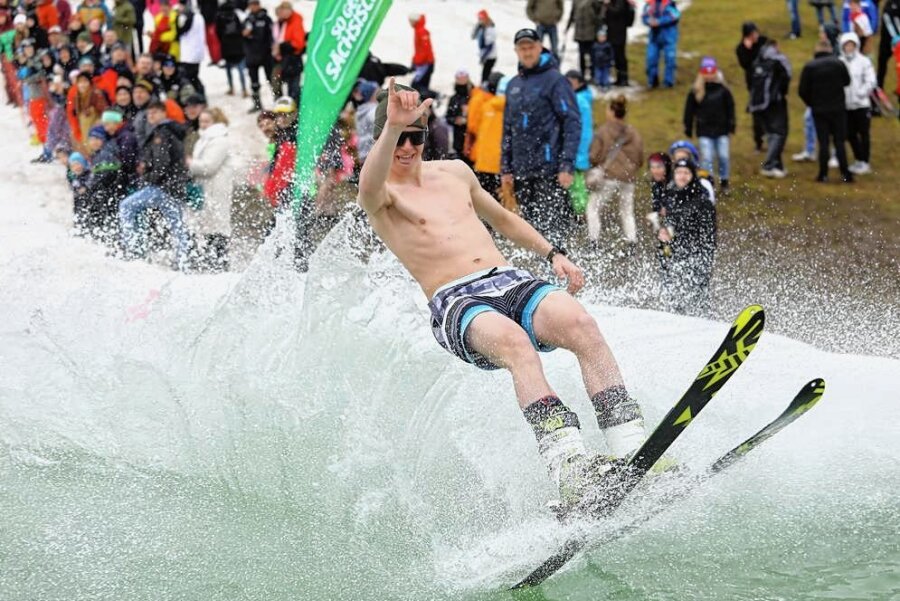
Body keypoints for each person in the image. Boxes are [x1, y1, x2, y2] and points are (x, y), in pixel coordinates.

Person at [357, 79, 648, 509]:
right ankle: (570, 469)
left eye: (414, 137)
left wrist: (553, 253)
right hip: (457, 301)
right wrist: (393, 125)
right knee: (515, 346)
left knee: (581, 324)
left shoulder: (455, 172)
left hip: (508, 280)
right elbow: (368, 183)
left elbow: (505, 220)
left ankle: (631, 446)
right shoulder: (381, 195)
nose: (407, 147)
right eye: (397, 138)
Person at [501, 28, 580, 246]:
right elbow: (507, 128)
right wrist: (505, 168)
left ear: (539, 47)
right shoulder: (513, 85)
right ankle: (538, 278)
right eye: (522, 48)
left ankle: (563, 272)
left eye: (530, 47)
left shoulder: (555, 81)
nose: (527, 52)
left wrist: (567, 164)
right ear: (516, 51)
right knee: (530, 232)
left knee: (553, 230)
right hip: (521, 169)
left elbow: (572, 122)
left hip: (550, 169)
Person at [118, 100, 192, 269]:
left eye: (154, 113)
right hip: (175, 187)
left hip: (162, 187)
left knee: (126, 207)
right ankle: (183, 261)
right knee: (177, 226)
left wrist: (149, 177)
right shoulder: (174, 131)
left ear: (163, 114)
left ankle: (133, 250)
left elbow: (162, 162)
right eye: (149, 113)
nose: (151, 116)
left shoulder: (161, 132)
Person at [657, 158, 716, 315]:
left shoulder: (703, 203)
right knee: (673, 306)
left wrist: (705, 263)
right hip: (672, 260)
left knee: (697, 305)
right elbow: (668, 230)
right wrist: (663, 242)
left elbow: (709, 237)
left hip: (695, 260)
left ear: (693, 175)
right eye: (678, 172)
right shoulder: (670, 198)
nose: (682, 176)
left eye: (686, 172)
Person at [586, 95, 643, 250]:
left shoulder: (603, 131)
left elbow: (594, 156)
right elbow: (640, 157)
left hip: (608, 177)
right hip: (628, 178)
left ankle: (594, 242)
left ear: (611, 111)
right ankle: (632, 241)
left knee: (593, 208)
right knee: (627, 211)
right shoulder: (634, 132)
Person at [798, 39, 853, 182]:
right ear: (830, 50)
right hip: (838, 108)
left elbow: (802, 90)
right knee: (839, 141)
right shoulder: (838, 64)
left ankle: (823, 174)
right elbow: (847, 81)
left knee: (823, 143)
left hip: (819, 110)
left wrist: (812, 103)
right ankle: (845, 174)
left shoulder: (810, 67)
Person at [186, 107, 233, 271]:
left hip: (216, 189)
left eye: (207, 121)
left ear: (216, 122)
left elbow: (209, 167)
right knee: (208, 227)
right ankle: (210, 263)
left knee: (217, 227)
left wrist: (189, 163)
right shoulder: (205, 139)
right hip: (206, 189)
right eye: (201, 121)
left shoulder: (219, 140)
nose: (203, 124)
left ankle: (219, 265)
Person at [682, 57, 736, 194]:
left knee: (723, 156)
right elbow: (689, 111)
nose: (709, 74)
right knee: (707, 158)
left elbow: (730, 108)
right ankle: (709, 182)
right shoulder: (696, 91)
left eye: (712, 71)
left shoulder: (723, 90)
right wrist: (688, 127)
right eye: (706, 71)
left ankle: (724, 181)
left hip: (721, 130)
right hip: (705, 130)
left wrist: (731, 124)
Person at [748, 40, 792, 178]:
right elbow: (786, 78)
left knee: (771, 134)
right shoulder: (778, 61)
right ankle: (769, 165)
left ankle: (778, 166)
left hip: (757, 104)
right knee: (779, 134)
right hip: (773, 102)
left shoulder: (757, 61)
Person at [840, 32, 876, 174]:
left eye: (851, 45)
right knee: (850, 133)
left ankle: (865, 162)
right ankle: (858, 159)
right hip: (846, 105)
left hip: (862, 104)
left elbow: (871, 80)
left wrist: (861, 93)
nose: (849, 47)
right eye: (846, 45)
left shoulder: (864, 61)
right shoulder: (840, 61)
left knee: (864, 133)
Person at [735, 21, 769, 153]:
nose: (755, 36)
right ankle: (759, 141)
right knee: (757, 115)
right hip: (754, 85)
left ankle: (769, 137)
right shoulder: (741, 49)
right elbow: (746, 65)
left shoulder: (764, 42)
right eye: (752, 34)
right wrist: (747, 49)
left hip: (767, 83)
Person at [565, 69, 593, 219]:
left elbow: (580, 129)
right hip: (579, 149)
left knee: (576, 184)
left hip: (577, 149)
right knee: (577, 183)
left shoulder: (578, 100)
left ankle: (581, 212)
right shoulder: (582, 98)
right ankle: (580, 211)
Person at [242, 0, 273, 113]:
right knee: (254, 83)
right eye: (251, 4)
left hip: (265, 55)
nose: (253, 7)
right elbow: (241, 34)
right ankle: (257, 104)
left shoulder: (266, 19)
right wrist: (245, 34)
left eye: (255, 4)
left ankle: (277, 100)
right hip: (251, 56)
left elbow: (270, 36)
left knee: (271, 79)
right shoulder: (247, 19)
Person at [641, 0, 681, 88]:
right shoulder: (650, 4)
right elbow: (644, 16)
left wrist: (659, 22)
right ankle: (653, 81)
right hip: (654, 36)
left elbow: (675, 15)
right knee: (651, 58)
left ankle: (668, 82)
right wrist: (649, 21)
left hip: (669, 36)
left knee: (669, 59)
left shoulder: (670, 3)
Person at [271, 0, 305, 100]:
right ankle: (281, 105)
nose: (282, 14)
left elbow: (298, 44)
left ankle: (295, 111)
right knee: (276, 83)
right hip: (282, 60)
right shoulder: (280, 24)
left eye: (285, 11)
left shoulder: (295, 21)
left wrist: (281, 46)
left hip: (293, 60)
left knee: (293, 89)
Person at [215, 0, 246, 97]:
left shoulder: (219, 16)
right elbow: (241, 28)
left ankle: (231, 88)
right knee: (240, 69)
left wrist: (223, 39)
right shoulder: (235, 15)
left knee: (228, 68)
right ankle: (244, 89)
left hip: (226, 45)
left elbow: (218, 32)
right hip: (238, 45)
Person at [602, 0, 637, 86]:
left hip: (619, 32)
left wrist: (607, 5)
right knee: (616, 56)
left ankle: (623, 79)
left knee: (620, 56)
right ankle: (619, 78)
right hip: (613, 31)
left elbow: (616, 12)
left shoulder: (620, 2)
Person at [567, 0, 602, 82]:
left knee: (592, 55)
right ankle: (582, 75)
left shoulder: (594, 2)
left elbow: (598, 13)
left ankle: (593, 75)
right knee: (581, 55)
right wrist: (567, 27)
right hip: (580, 33)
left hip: (591, 33)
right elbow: (572, 14)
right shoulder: (575, 1)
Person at [444, 69, 472, 163]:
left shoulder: (474, 97)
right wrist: (455, 120)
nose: (462, 86)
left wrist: (467, 120)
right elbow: (448, 117)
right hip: (459, 139)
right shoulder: (454, 99)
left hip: (473, 139)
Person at [408, 12, 434, 96]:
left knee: (416, 86)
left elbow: (425, 49)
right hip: (423, 63)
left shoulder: (421, 31)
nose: (409, 23)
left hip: (425, 63)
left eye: (410, 21)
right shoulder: (418, 30)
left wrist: (416, 61)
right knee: (421, 86)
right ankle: (428, 105)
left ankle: (436, 95)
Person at [876, 0, 900, 88]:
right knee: (882, 64)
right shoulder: (889, 4)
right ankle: (879, 87)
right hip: (887, 41)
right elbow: (887, 20)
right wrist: (895, 37)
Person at [472, 9, 496, 84]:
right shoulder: (482, 27)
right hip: (485, 55)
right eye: (479, 19)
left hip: (490, 56)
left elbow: (489, 46)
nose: (480, 20)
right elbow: (473, 36)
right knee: (485, 75)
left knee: (485, 76)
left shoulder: (490, 29)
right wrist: (477, 27)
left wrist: (483, 57)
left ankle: (487, 89)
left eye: (482, 19)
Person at [592, 25, 614, 90]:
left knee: (605, 74)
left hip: (606, 63)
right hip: (597, 63)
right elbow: (592, 54)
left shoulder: (608, 45)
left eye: (603, 37)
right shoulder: (595, 45)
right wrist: (593, 61)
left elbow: (611, 54)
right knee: (598, 74)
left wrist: (611, 60)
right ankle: (598, 83)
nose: (601, 38)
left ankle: (605, 84)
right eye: (600, 37)